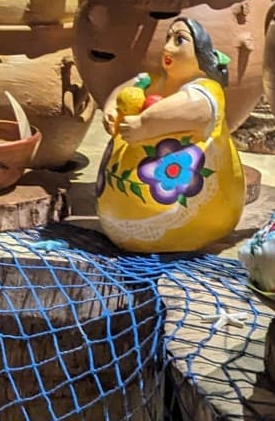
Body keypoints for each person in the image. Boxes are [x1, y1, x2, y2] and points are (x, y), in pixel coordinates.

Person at [97, 17, 245, 254]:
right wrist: (112, 108)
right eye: (168, 38)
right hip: (116, 218)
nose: (167, 47)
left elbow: (193, 105)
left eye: (179, 40)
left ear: (200, 53)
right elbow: (124, 90)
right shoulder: (151, 81)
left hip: (192, 221)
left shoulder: (207, 91)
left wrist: (145, 124)